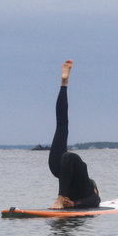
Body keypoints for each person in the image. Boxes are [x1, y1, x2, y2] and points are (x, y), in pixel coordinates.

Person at [48, 60, 100, 209]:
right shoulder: (89, 188)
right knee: (62, 128)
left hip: (58, 169)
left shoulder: (69, 186)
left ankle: (64, 83)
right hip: (73, 165)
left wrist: (71, 203)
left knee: (61, 126)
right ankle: (63, 85)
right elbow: (96, 201)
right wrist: (76, 203)